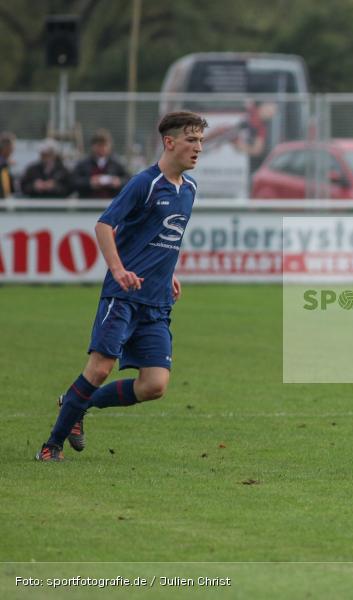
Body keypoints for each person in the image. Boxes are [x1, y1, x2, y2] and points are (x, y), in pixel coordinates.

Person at [35, 111, 208, 462]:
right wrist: (118, 269)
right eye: (191, 140)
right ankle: (51, 446)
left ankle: (76, 404)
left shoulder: (188, 189)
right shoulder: (144, 183)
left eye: (201, 141)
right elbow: (104, 225)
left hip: (157, 302)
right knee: (100, 368)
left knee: (154, 385)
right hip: (124, 296)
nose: (198, 148)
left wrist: (168, 272)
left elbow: (162, 238)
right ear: (169, 142)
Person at [73, 129, 130, 198]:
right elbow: (73, 182)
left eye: (104, 145)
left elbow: (129, 180)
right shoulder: (83, 164)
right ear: (93, 146)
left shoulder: (117, 163)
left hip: (111, 204)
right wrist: (89, 182)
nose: (102, 148)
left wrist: (119, 182)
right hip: (88, 204)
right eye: (99, 145)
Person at [0, 131, 16, 198]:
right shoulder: (3, 165)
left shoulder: (5, 164)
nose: (13, 149)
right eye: (12, 146)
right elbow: (5, 190)